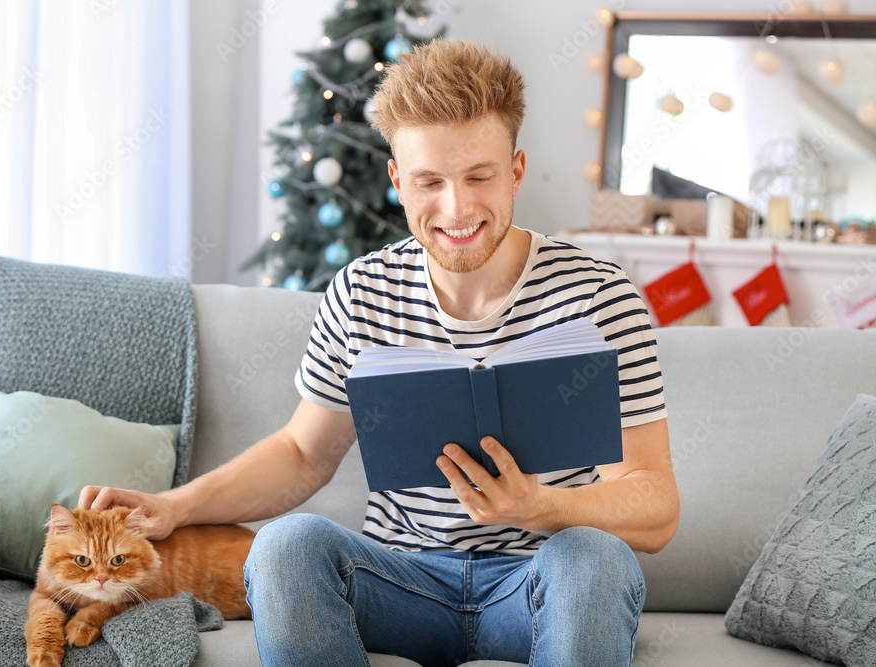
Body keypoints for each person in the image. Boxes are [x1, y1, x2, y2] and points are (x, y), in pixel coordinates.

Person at [80, 39, 679, 666]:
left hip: (538, 585)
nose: (457, 208)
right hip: (402, 582)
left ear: (517, 170)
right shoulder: (362, 291)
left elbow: (656, 509)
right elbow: (302, 454)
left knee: (596, 558)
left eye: (481, 176)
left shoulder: (599, 296)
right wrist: (173, 506)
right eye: (429, 182)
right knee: (286, 546)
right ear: (397, 180)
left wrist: (541, 506)